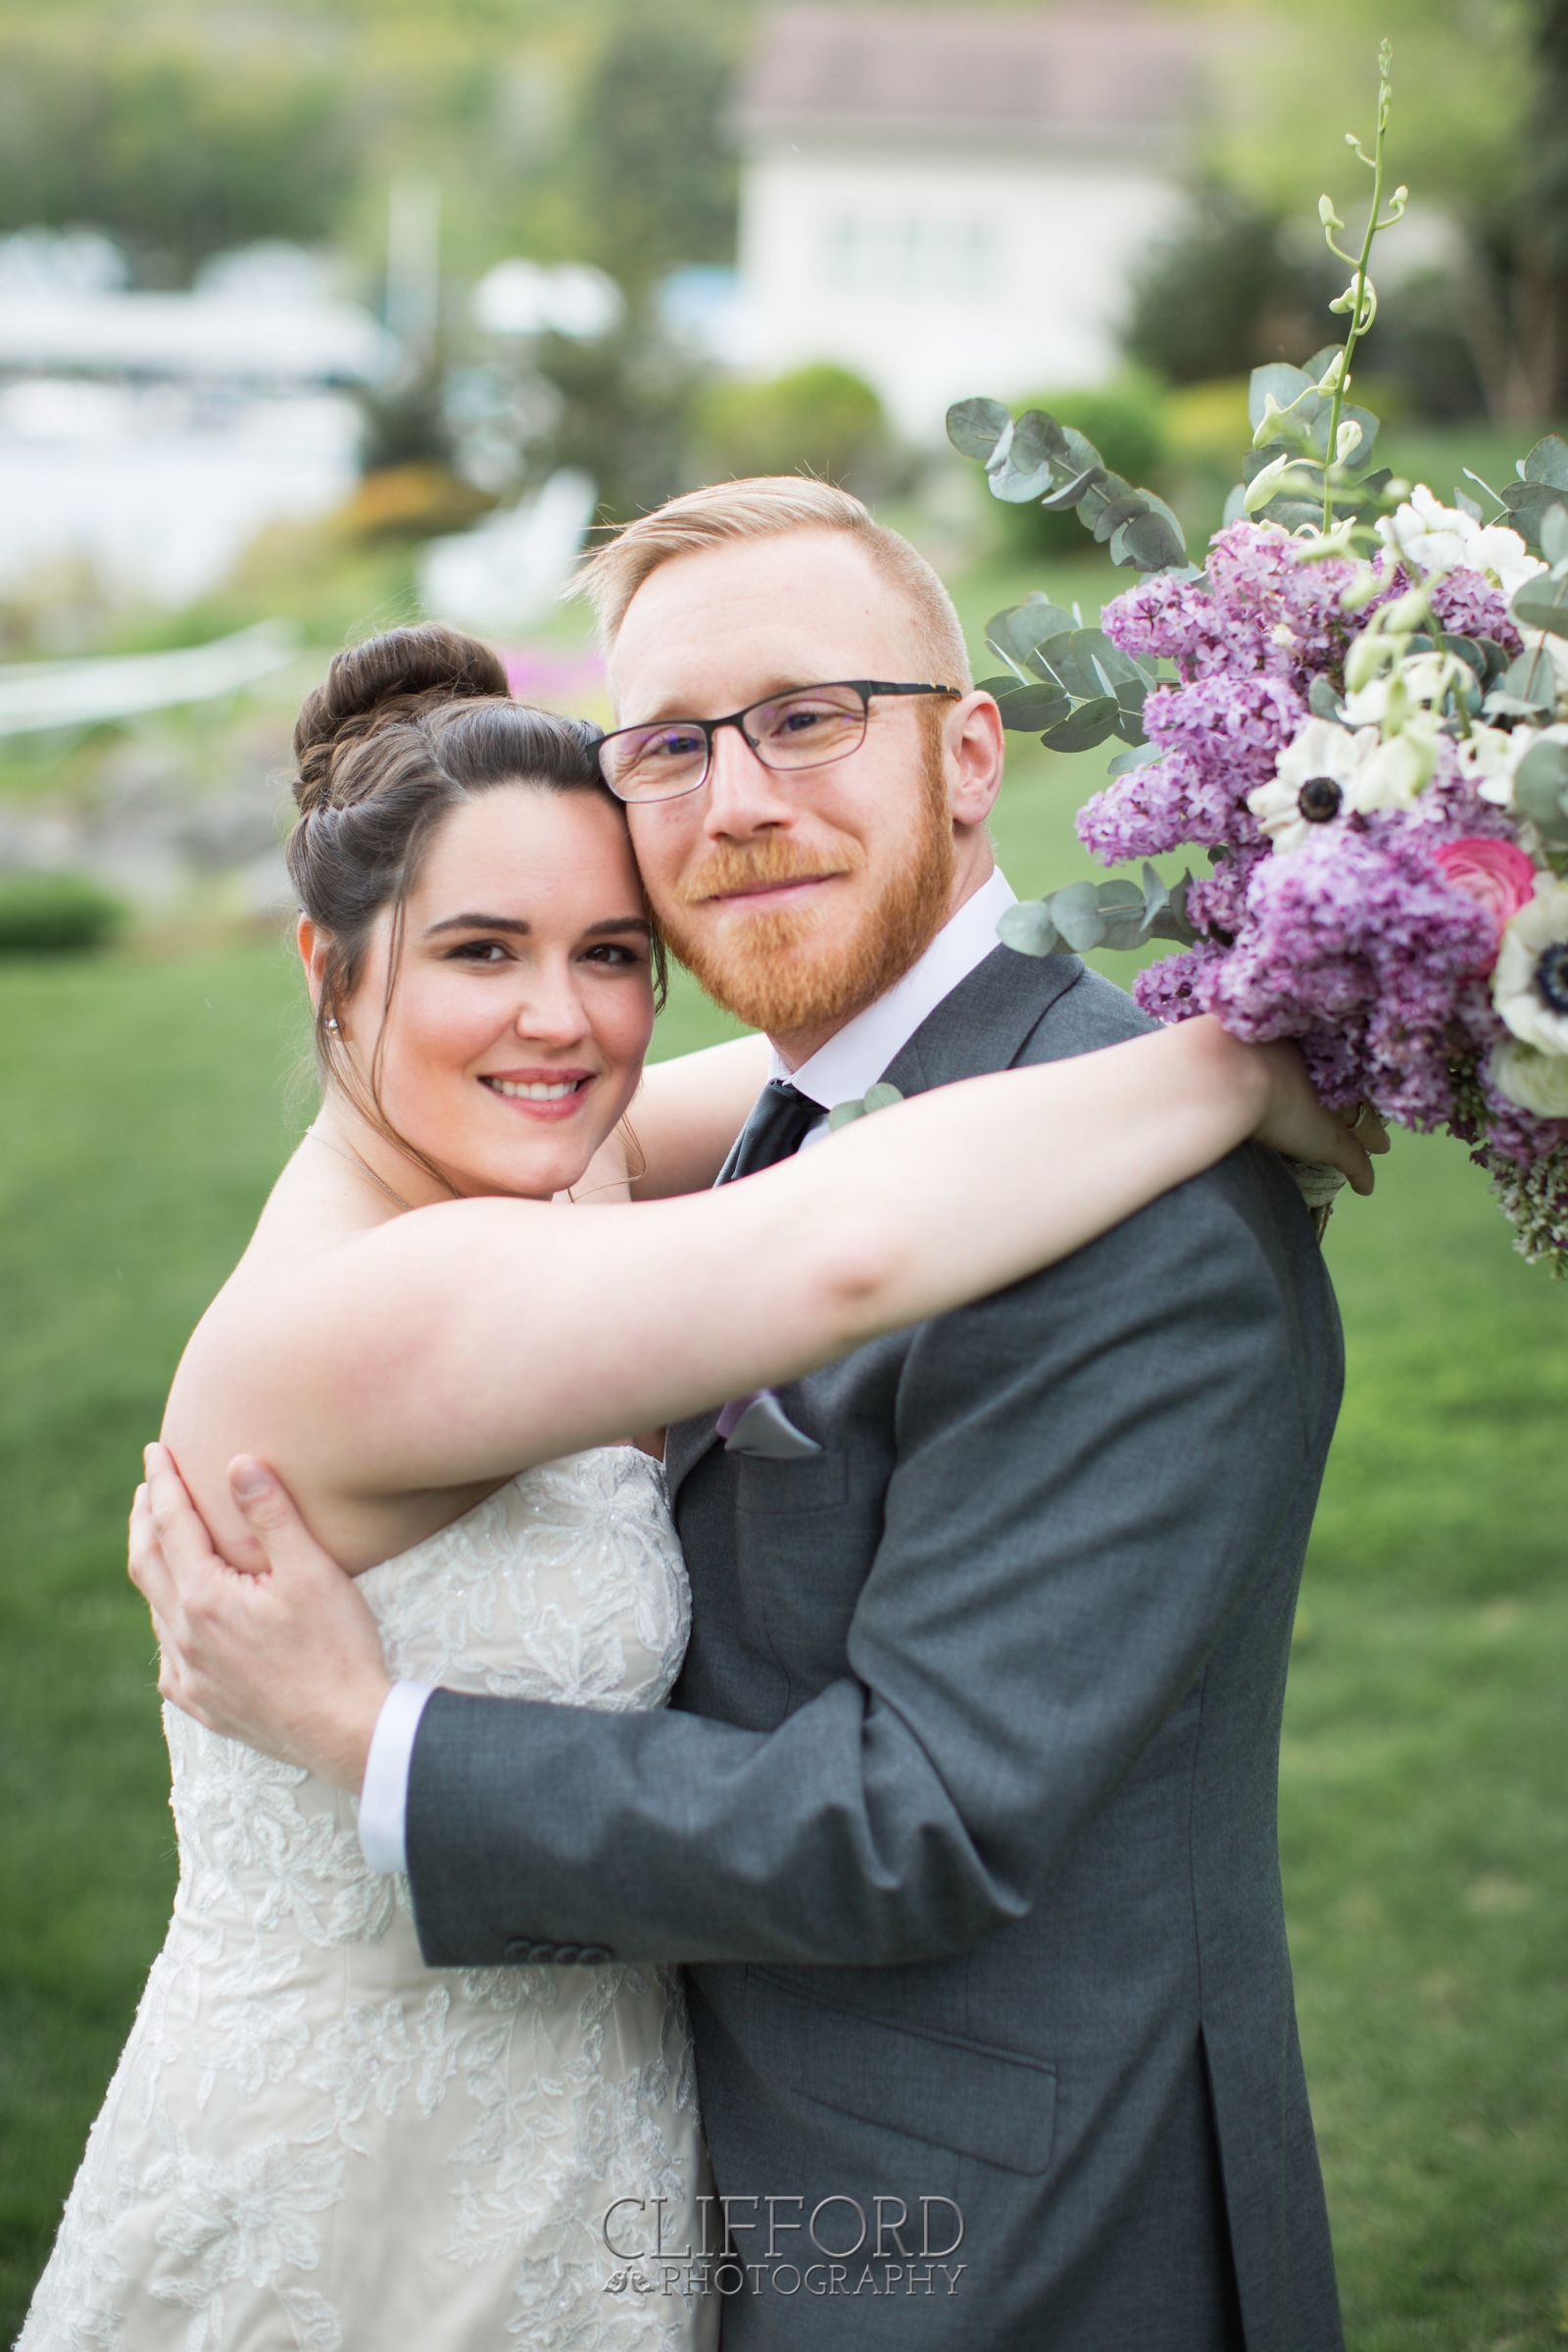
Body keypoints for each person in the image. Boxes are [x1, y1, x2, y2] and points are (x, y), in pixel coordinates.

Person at [94, 485, 1370, 2352]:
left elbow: (914, 1816)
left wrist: (380, 1740)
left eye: (808, 716)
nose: (740, 800)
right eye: (674, 746)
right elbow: (835, 1233)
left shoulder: (1127, 1210)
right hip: (433, 2186)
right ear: (332, 968)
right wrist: (1239, 1057)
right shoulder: (518, 1226)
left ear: (969, 752)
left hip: (995, 2232)